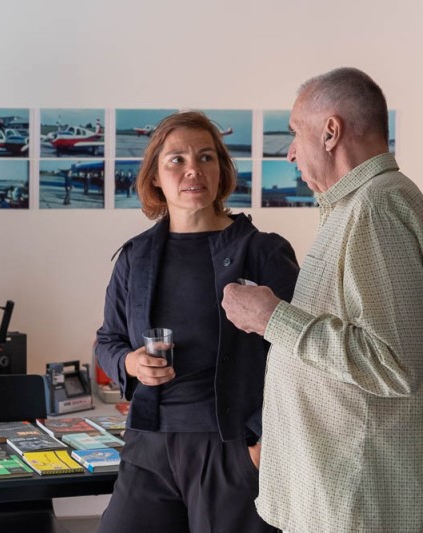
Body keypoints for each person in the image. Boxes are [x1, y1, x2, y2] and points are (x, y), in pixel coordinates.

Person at [222, 67, 423, 532]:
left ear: (330, 132)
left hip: (356, 504)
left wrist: (272, 318)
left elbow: (394, 364)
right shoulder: (357, 207)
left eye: (296, 132)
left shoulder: (374, 210)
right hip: (340, 497)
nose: (291, 151)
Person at [95, 111, 299, 533]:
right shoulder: (135, 257)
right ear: (154, 175)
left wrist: (259, 447)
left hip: (230, 450)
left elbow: (297, 358)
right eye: (177, 159)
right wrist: (130, 364)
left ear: (222, 170)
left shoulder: (262, 252)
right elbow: (108, 339)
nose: (193, 170)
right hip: (148, 446)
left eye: (206, 157)